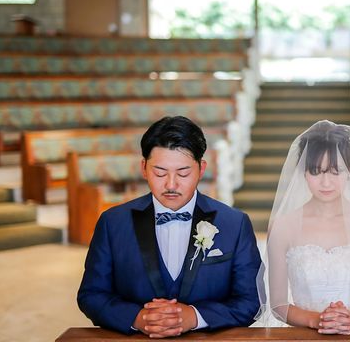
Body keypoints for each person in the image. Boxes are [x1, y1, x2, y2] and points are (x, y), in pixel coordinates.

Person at [77, 116, 261, 338]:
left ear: (201, 169)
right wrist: (137, 318)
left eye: (183, 173)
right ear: (144, 168)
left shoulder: (235, 223)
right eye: (160, 173)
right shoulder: (112, 222)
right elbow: (91, 295)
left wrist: (195, 317)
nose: (171, 184)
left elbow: (252, 301)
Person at [256, 120, 350, 334]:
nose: (326, 183)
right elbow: (278, 305)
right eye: (316, 171)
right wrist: (317, 320)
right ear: (303, 172)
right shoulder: (282, 227)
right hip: (304, 335)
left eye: (335, 171)